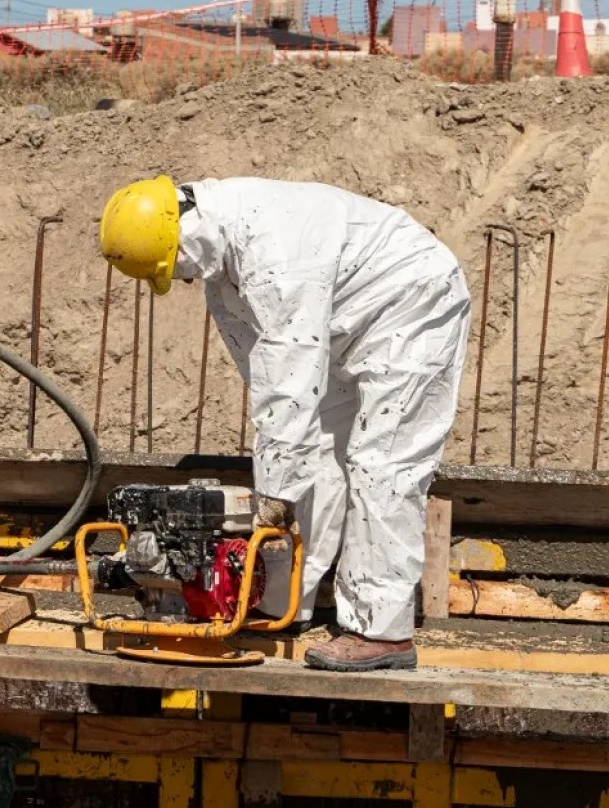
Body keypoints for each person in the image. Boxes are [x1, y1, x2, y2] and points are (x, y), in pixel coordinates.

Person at [98, 176, 471, 671]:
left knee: (384, 463)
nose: (183, 279)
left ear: (185, 234)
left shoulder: (274, 251)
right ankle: (284, 603)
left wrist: (274, 494)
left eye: (177, 268)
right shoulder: (223, 265)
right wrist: (280, 475)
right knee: (314, 452)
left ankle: (382, 633)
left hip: (413, 304)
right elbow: (267, 381)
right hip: (345, 318)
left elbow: (287, 383)